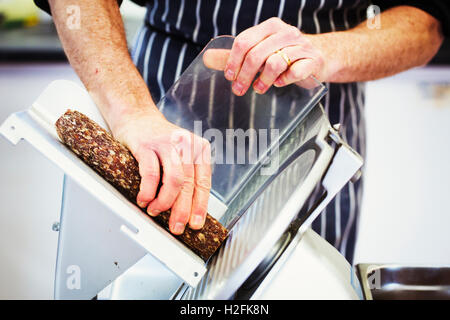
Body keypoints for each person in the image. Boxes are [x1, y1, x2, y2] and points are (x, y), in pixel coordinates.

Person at [35, 0, 448, 263]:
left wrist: (326, 51)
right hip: (158, 106)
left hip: (312, 119)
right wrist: (130, 112)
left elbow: (426, 20)